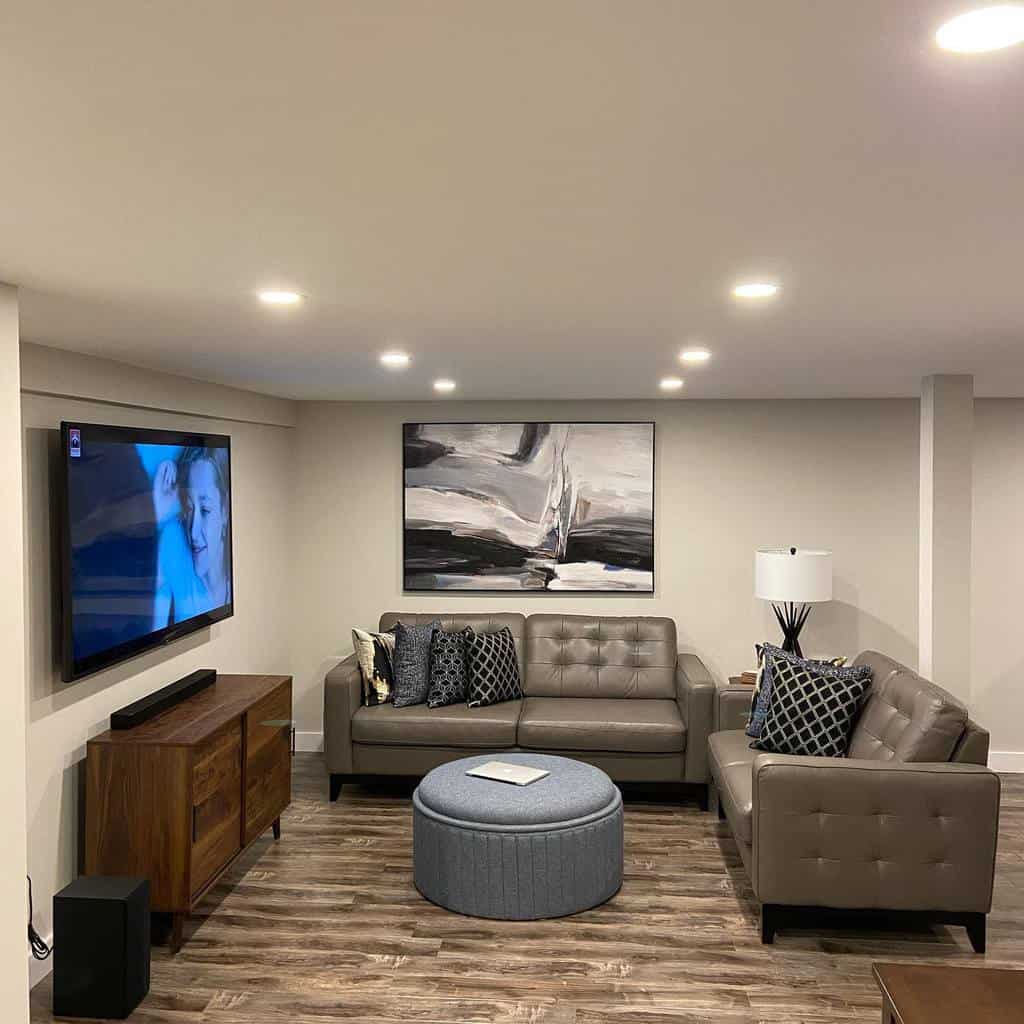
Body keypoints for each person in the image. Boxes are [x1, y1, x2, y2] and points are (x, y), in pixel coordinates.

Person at [151, 446, 231, 628]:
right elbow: (134, 592)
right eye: (188, 508)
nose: (193, 533)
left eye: (205, 510)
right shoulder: (174, 542)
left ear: (225, 510)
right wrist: (157, 515)